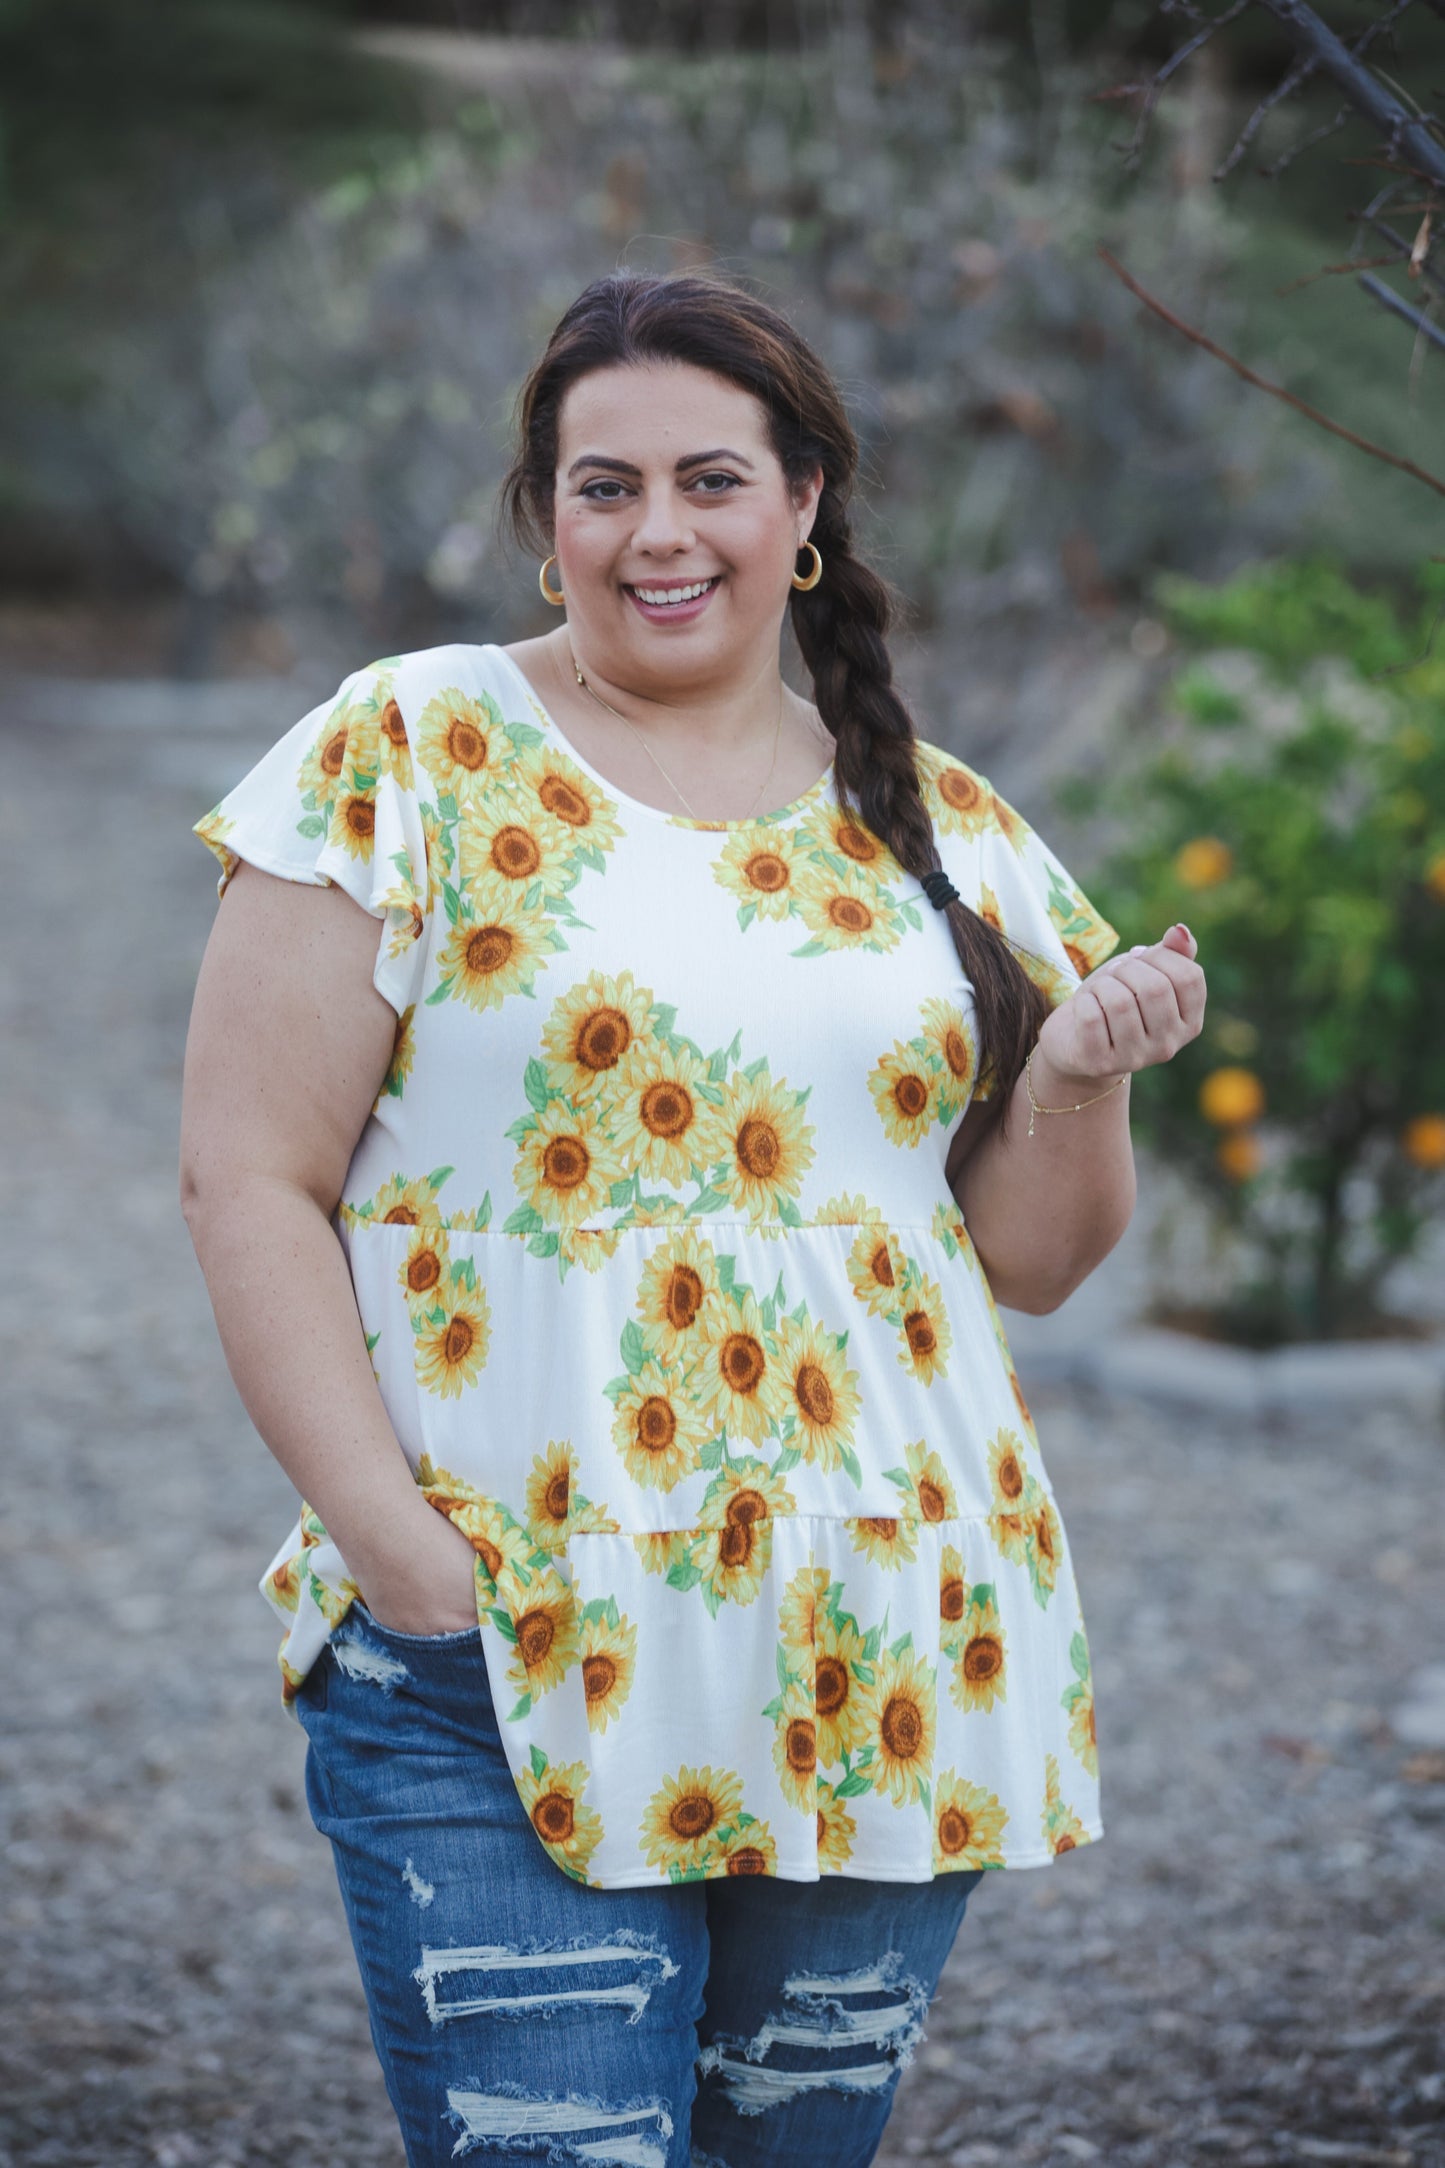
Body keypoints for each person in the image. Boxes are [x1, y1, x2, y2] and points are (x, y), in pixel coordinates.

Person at [179, 269, 1205, 2168]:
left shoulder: (942, 828)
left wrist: (1073, 1075)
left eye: (712, 479)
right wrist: (403, 1558)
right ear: (543, 515)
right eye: (602, 486)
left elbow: (1040, 1260)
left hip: (885, 1642)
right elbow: (247, 1176)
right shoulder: (408, 752)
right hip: (497, 1641)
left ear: (805, 504)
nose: (657, 532)